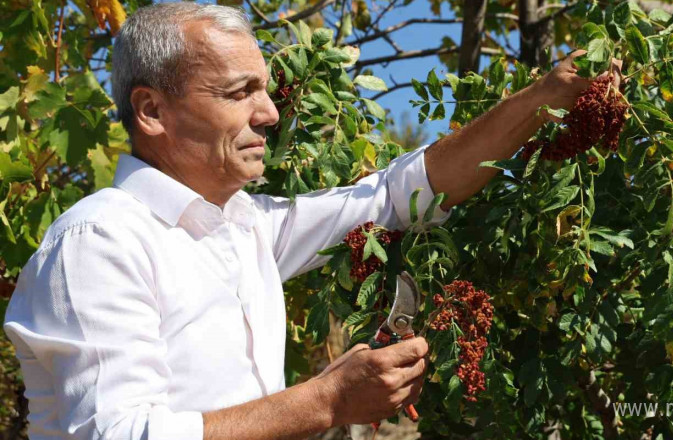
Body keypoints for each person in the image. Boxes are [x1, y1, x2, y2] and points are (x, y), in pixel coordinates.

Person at [2, 3, 619, 439]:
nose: (269, 113)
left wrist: (544, 98)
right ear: (152, 110)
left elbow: (400, 196)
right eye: (239, 92)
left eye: (264, 90)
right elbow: (120, 434)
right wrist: (325, 399)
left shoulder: (245, 230)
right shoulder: (101, 241)